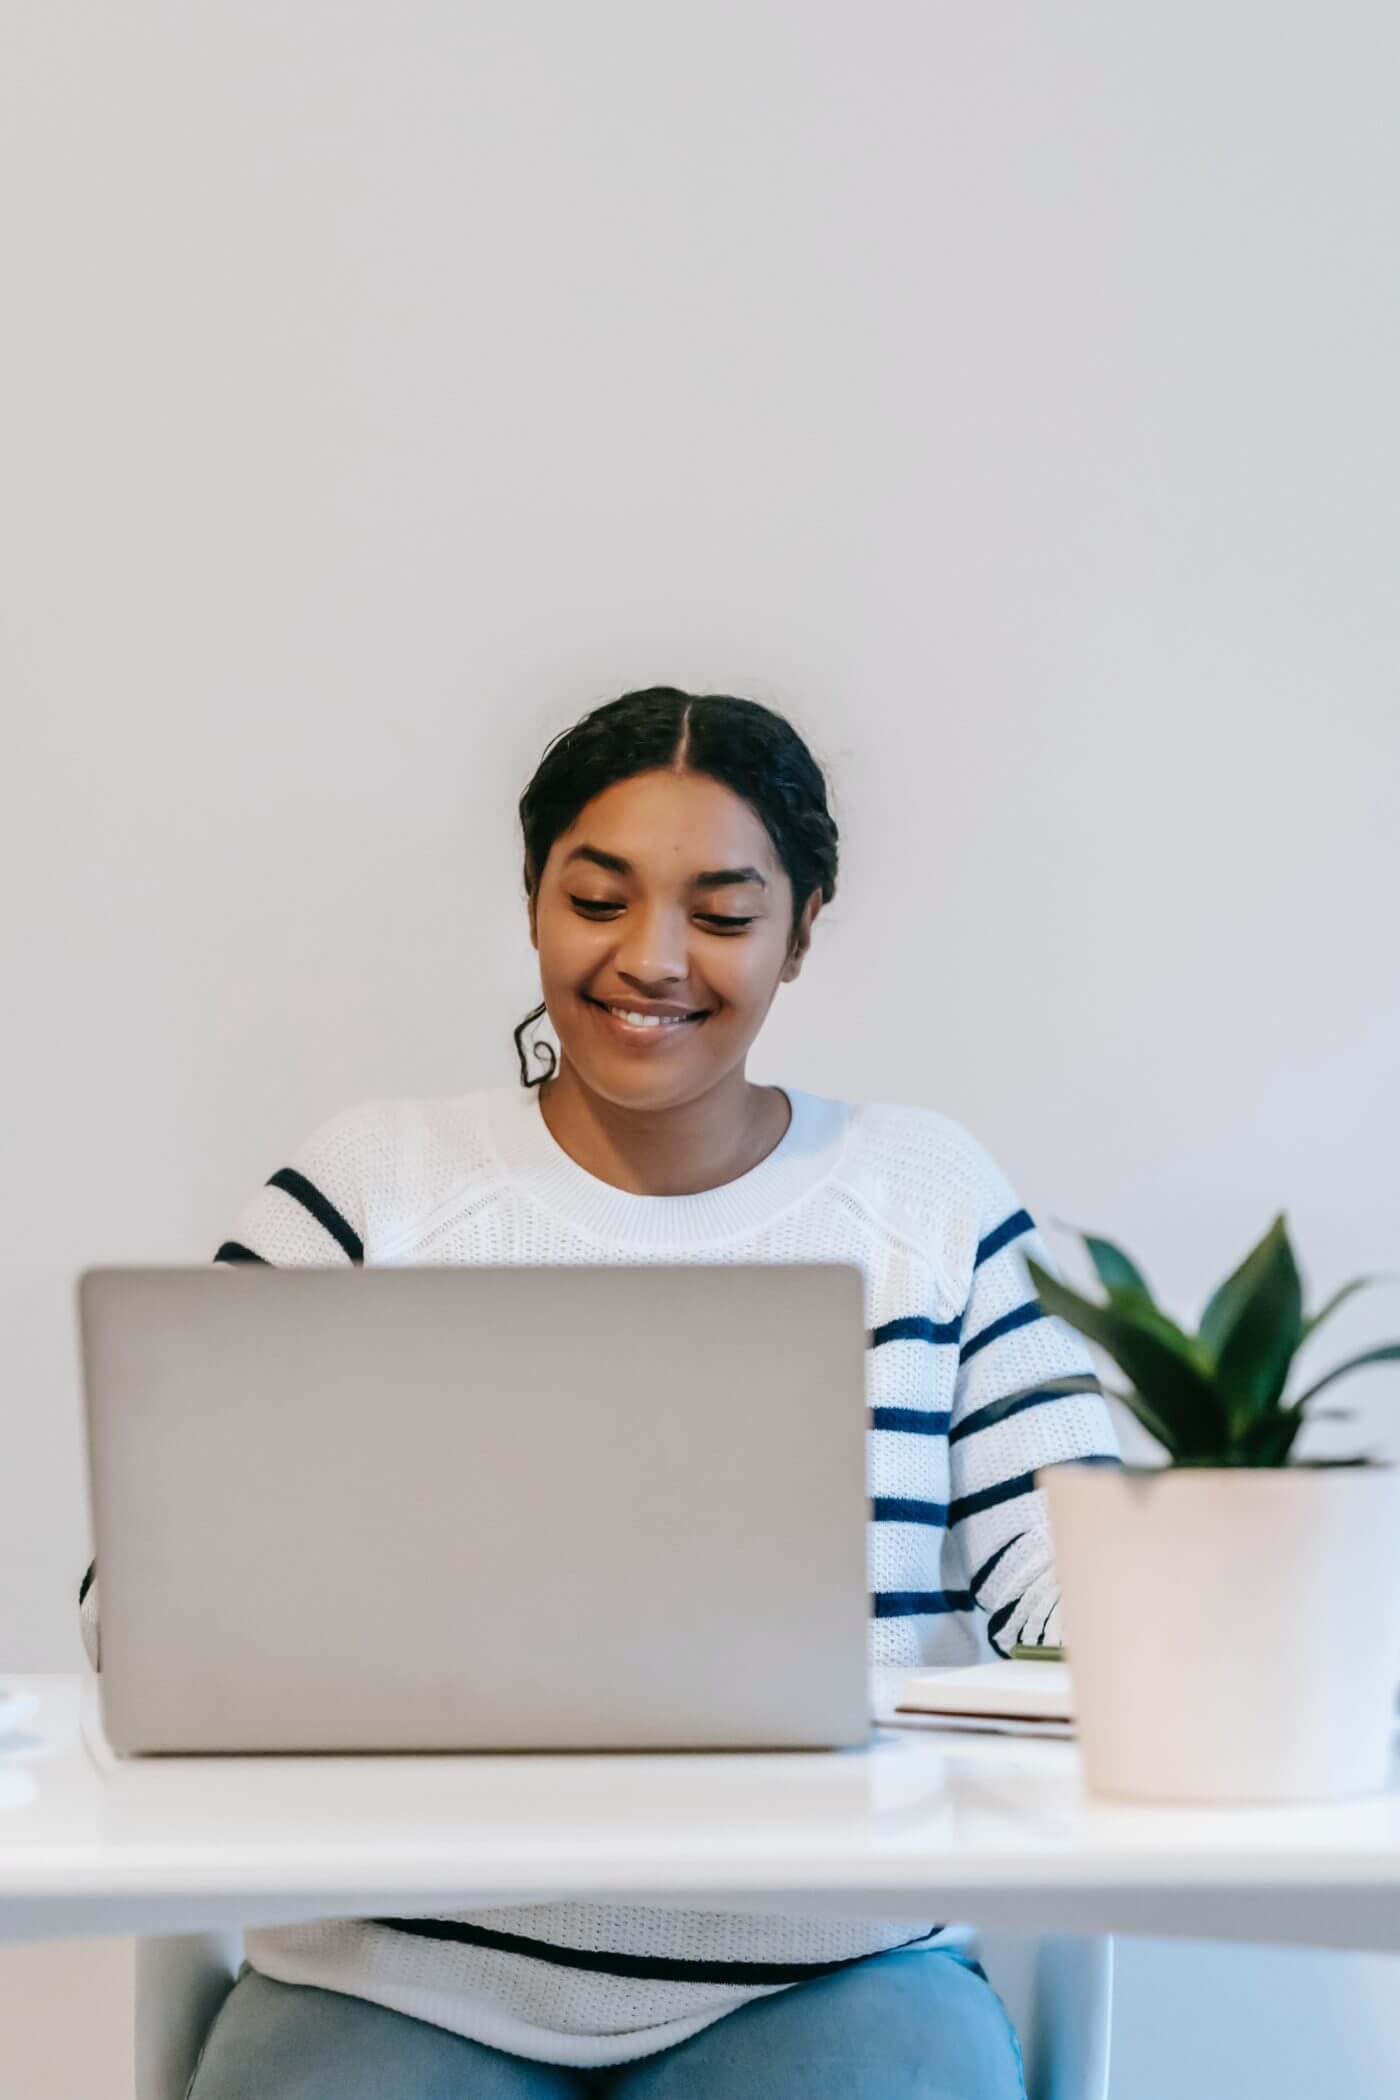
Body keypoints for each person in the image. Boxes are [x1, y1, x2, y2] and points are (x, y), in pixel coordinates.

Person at [79, 686, 1119, 2097]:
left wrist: (1187, 1623)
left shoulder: (922, 1197)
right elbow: (146, 1592)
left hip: (830, 1961)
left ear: (803, 932)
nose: (654, 959)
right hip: (403, 1965)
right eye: (598, 898)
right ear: (530, 901)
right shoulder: (378, 1187)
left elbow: (1082, 1581)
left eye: (726, 913)